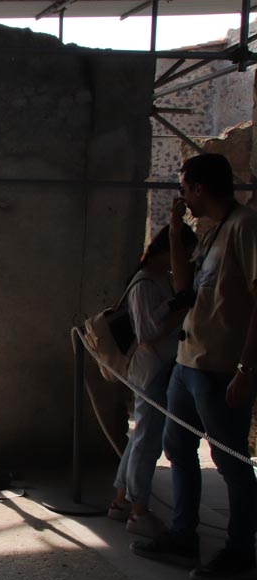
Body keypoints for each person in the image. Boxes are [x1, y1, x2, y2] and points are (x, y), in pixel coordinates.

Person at [131, 152, 257, 580]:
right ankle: (185, 534)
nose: (182, 195)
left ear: (200, 188)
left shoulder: (245, 226)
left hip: (220, 366)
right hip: (189, 362)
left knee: (231, 462)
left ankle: (240, 550)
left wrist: (246, 368)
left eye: (184, 188)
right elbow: (184, 288)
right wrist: (172, 225)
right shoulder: (212, 231)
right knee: (179, 449)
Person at [109, 224, 197, 537]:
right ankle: (138, 510)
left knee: (141, 439)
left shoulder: (160, 279)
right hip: (150, 370)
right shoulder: (144, 283)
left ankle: (121, 502)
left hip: (158, 368)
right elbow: (147, 333)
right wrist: (181, 308)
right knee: (147, 443)